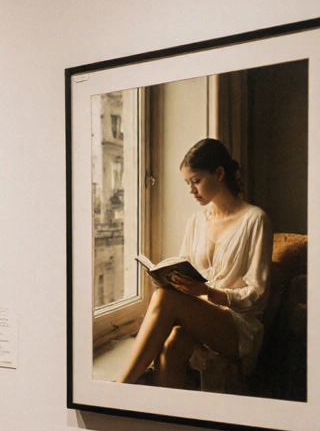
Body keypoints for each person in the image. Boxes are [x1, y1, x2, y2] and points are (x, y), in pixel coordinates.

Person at [117, 138, 273, 388]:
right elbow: (185, 269)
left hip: (238, 326)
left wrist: (209, 293)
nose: (191, 190)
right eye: (187, 183)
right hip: (198, 317)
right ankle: (168, 420)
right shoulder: (196, 221)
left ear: (219, 173)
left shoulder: (255, 219)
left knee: (165, 299)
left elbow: (259, 293)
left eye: (196, 180)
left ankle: (121, 387)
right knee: (172, 343)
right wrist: (171, 280)